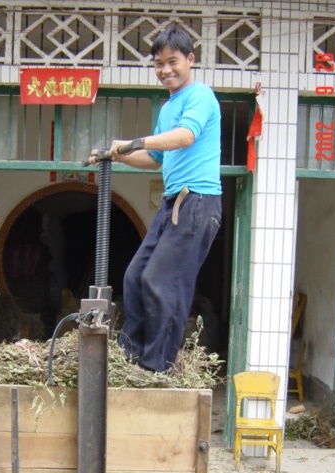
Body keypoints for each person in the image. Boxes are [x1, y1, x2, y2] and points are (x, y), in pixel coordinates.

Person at [93, 25, 222, 372]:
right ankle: (130, 356)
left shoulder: (201, 96)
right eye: (158, 63)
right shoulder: (168, 108)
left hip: (197, 203)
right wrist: (116, 155)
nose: (166, 69)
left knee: (162, 281)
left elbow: (184, 137)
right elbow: (156, 159)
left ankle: (157, 365)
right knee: (135, 276)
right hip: (172, 205)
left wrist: (135, 142)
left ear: (190, 60)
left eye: (173, 61)